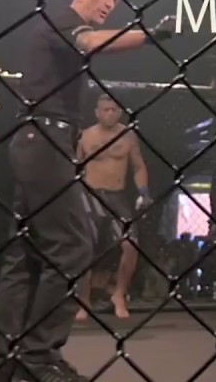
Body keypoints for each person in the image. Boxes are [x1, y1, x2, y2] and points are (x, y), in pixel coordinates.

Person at [0, 0, 174, 382]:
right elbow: (91, 42)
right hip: (45, 140)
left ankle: (7, 362)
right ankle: (38, 356)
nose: (109, 3)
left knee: (25, 256)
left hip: (43, 141)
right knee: (73, 246)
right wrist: (150, 35)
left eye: (115, 0)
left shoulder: (63, 32)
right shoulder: (62, 23)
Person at [75, 95, 149, 321]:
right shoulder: (85, 136)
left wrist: (144, 192)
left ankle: (119, 294)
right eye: (105, 110)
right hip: (90, 195)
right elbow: (75, 168)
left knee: (130, 245)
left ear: (120, 112)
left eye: (113, 110)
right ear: (97, 112)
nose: (109, 113)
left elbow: (138, 166)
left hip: (118, 196)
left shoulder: (128, 135)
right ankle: (84, 300)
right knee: (85, 248)